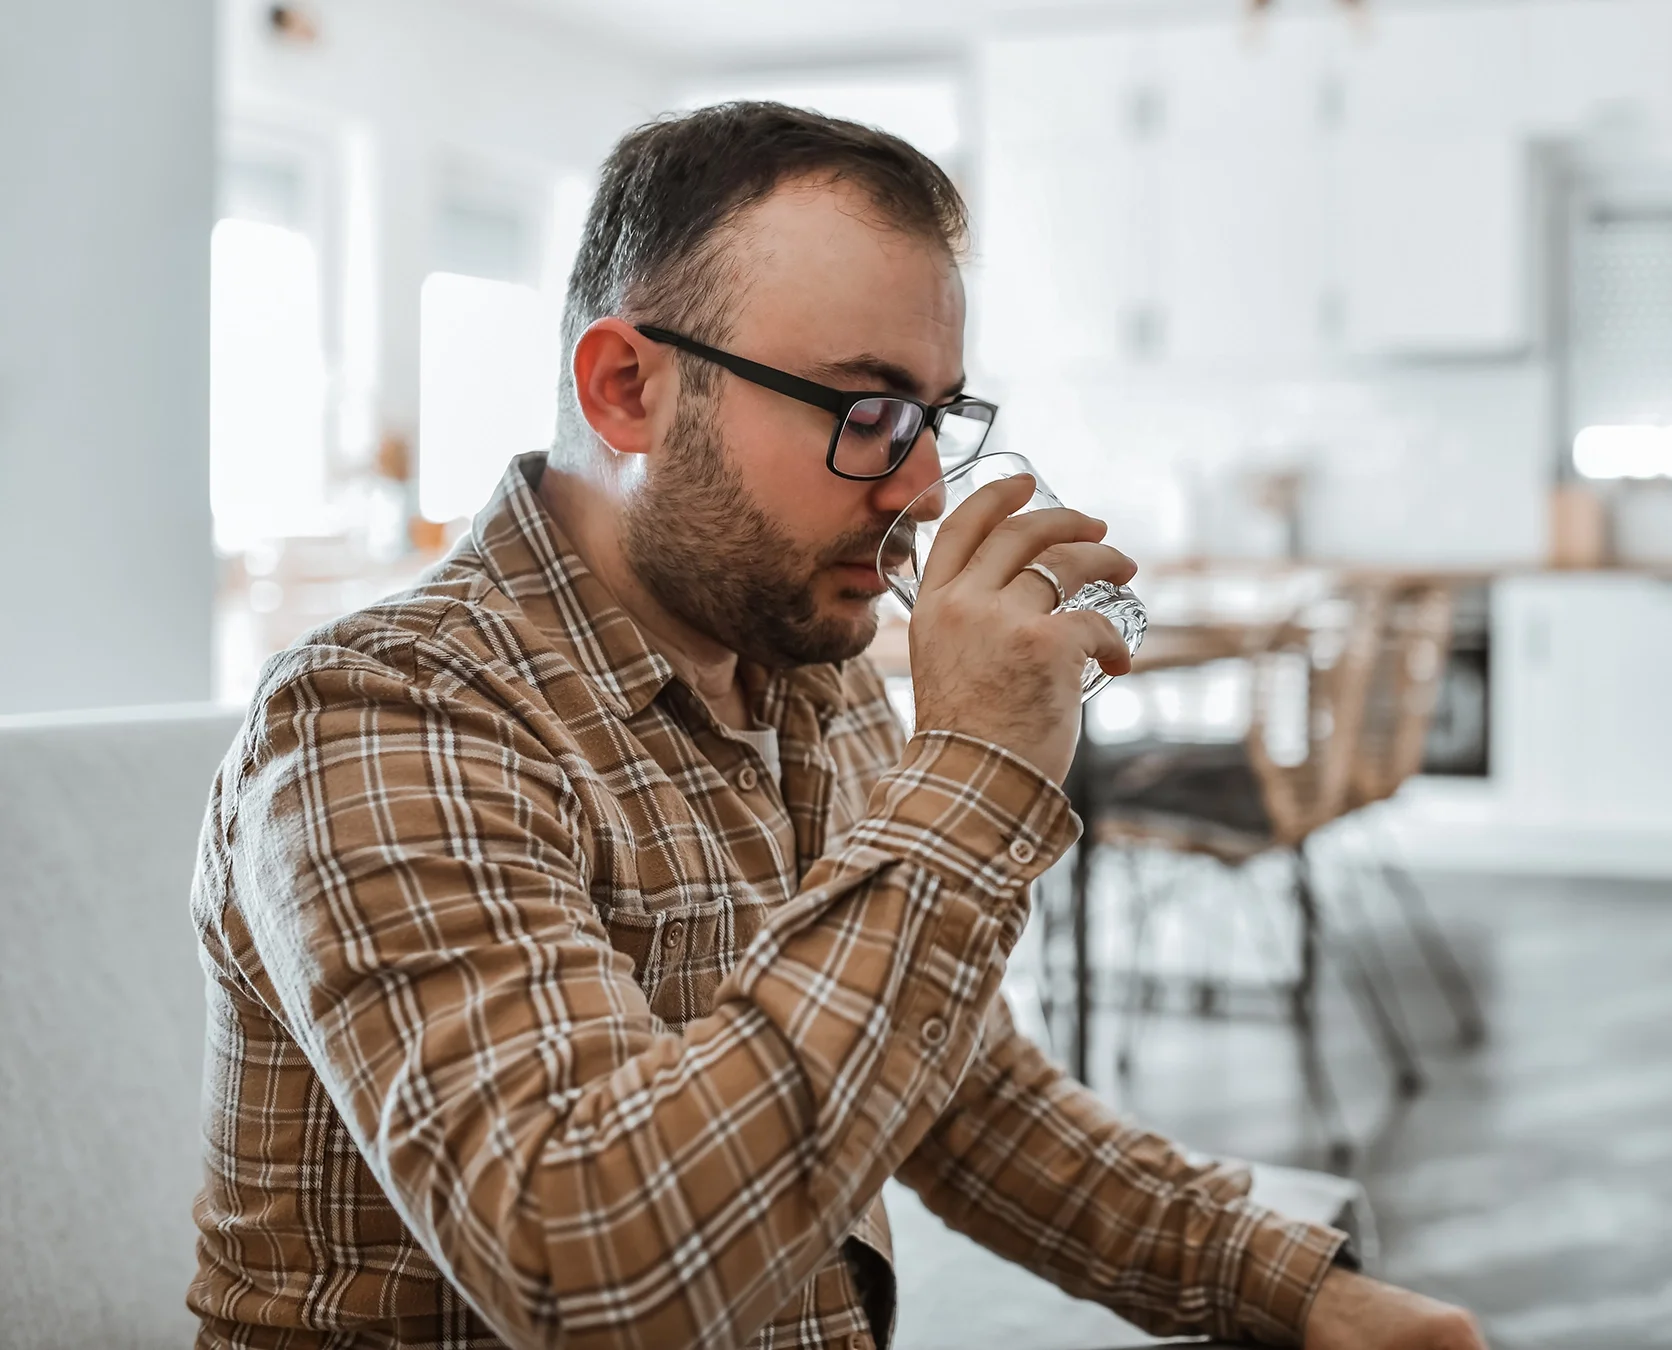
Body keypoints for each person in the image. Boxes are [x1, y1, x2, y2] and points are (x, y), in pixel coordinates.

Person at [186, 102, 1484, 1350]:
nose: (920, 487)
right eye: (865, 410)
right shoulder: (382, 716)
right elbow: (587, 1275)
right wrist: (970, 774)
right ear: (628, 387)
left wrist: (1296, 1291)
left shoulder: (802, 658)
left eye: (934, 416)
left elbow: (963, 1097)